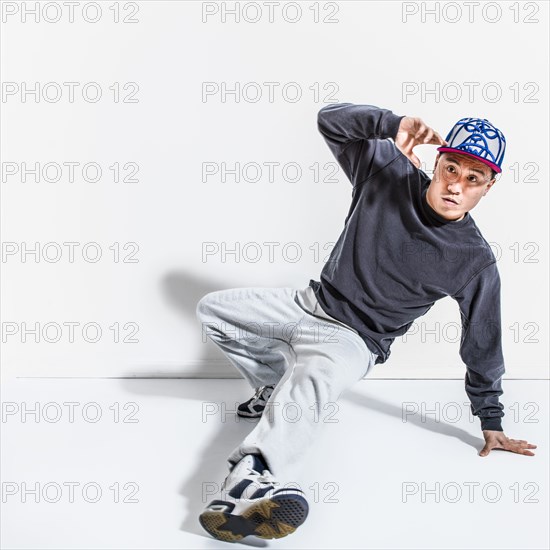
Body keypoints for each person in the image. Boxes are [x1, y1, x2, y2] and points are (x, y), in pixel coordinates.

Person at [195, 103, 537, 542]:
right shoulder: (387, 171)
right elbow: (329, 122)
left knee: (309, 386)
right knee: (214, 311)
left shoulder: (474, 261)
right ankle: (269, 386)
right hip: (309, 302)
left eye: (473, 179)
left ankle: (254, 476)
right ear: (438, 162)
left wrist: (491, 418)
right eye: (451, 168)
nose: (456, 185)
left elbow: (481, 341)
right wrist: (392, 125)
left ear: (488, 187)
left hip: (355, 341)